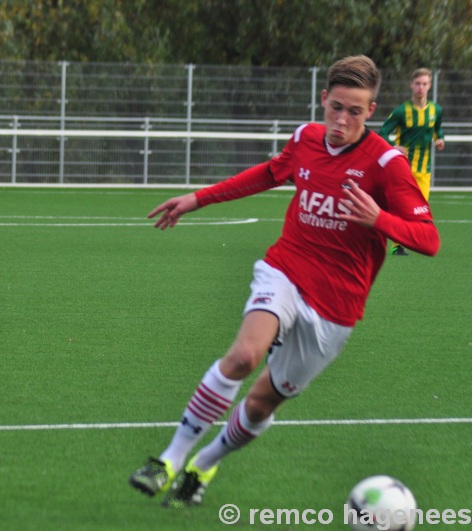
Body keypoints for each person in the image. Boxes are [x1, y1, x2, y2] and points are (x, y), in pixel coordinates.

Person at [128, 55, 440, 509]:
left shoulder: (387, 165)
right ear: (323, 100)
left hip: (336, 307)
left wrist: (380, 219)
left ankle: (205, 463)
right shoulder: (305, 138)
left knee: (259, 405)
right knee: (243, 356)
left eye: (354, 111)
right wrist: (197, 198)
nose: (341, 119)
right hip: (286, 269)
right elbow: (268, 174)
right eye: (335, 107)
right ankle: (169, 460)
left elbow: (429, 238)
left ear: (371, 110)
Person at [379, 67, 445, 255]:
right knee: (401, 206)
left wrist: (440, 139)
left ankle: (412, 240)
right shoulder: (401, 111)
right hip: (403, 167)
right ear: (411, 85)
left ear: (429, 86)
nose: (420, 88)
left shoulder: (436, 110)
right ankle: (396, 245)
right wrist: (394, 146)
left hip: (424, 168)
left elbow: (437, 129)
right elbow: (383, 133)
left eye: (424, 84)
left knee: (420, 208)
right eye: (417, 84)